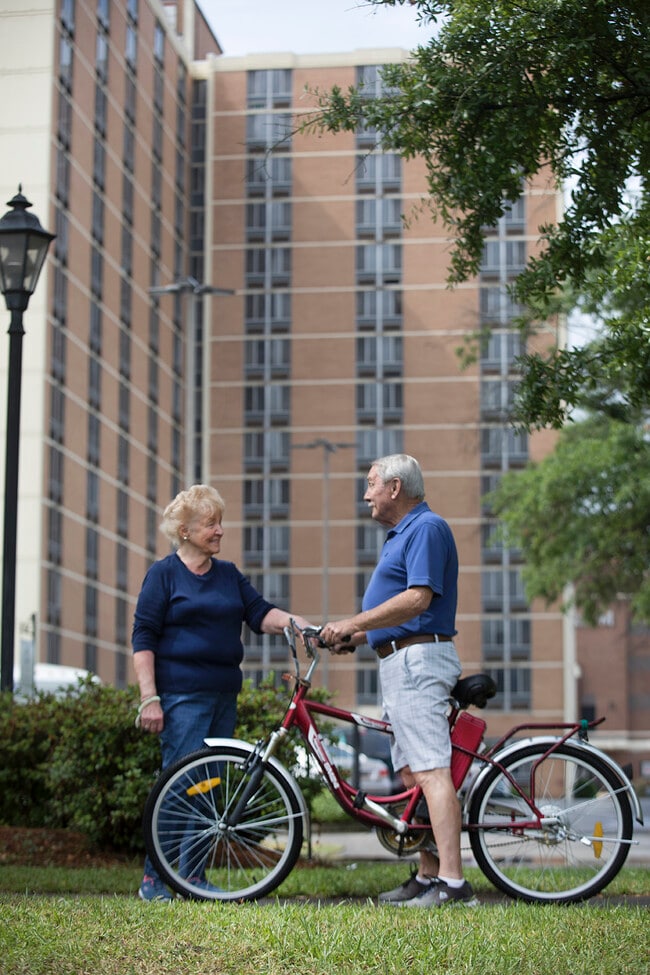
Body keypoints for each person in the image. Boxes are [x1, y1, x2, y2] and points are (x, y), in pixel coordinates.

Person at [132, 483, 312, 902]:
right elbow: (143, 637)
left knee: (209, 788)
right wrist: (149, 697)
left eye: (219, 523)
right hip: (181, 697)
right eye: (210, 524)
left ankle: (192, 878)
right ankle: (154, 880)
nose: (220, 531)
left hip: (222, 697)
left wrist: (296, 623)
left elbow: (259, 613)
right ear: (185, 531)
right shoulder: (164, 575)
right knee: (179, 785)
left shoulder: (228, 575)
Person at [320, 454, 478, 909]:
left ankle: (453, 884)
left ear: (394, 487)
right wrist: (356, 636)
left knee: (430, 770)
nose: (365, 494)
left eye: (371, 484)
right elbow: (401, 613)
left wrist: (354, 621)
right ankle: (429, 875)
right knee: (413, 774)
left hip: (418, 661)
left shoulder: (426, 527)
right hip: (400, 659)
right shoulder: (402, 535)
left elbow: (417, 599)